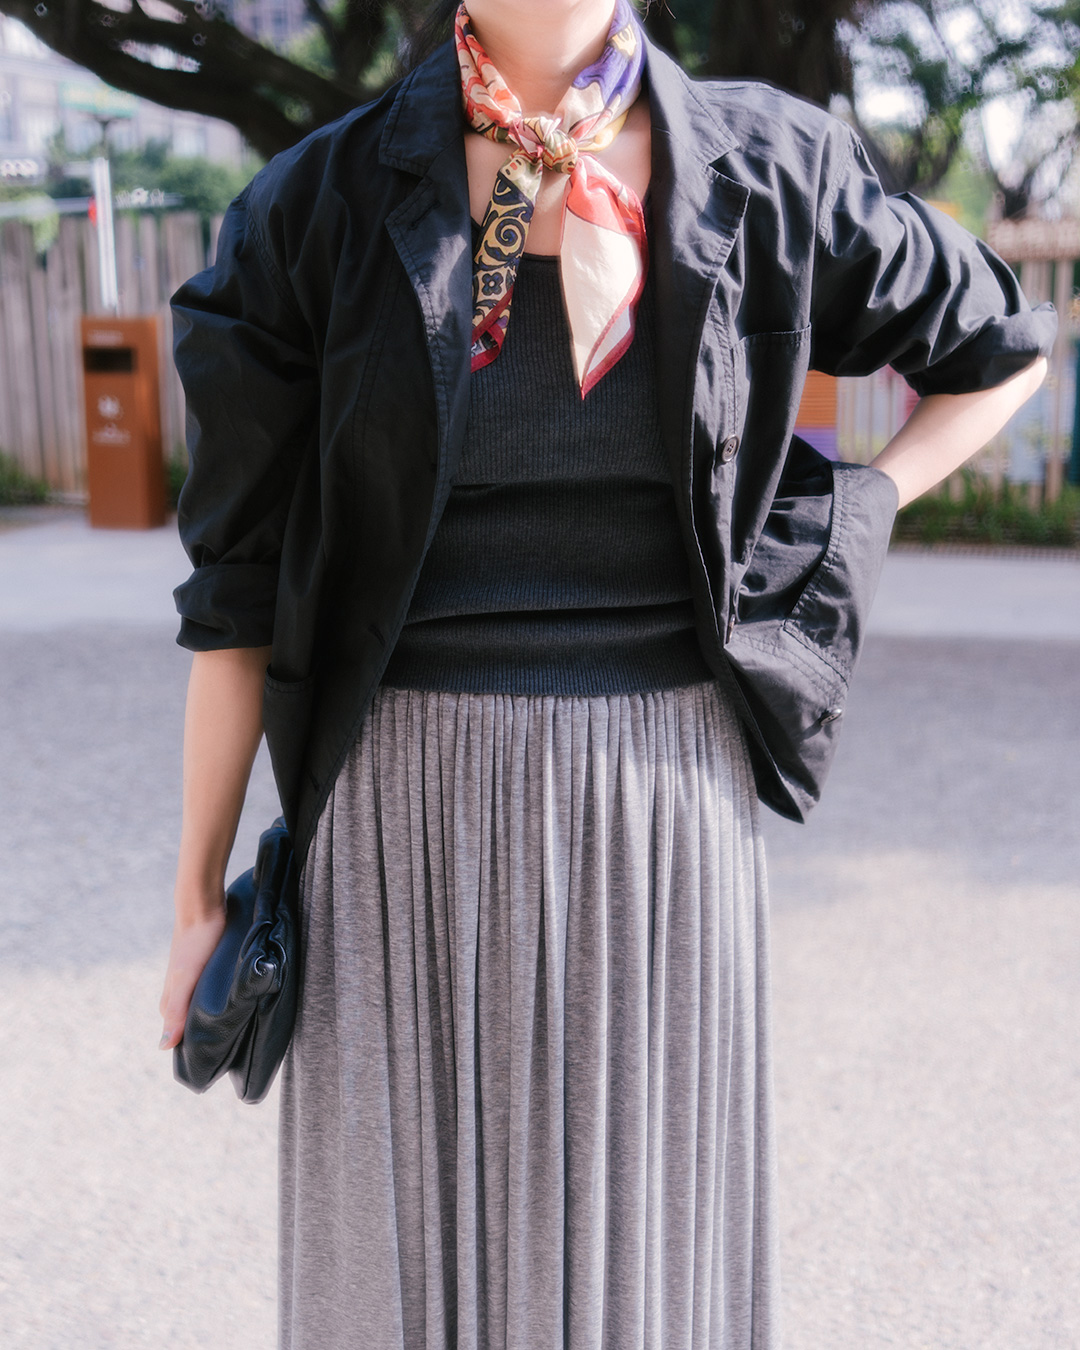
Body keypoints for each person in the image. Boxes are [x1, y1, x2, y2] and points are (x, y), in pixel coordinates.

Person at [158, 1, 1055, 1345]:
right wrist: (194, 898)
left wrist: (863, 504)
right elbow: (234, 590)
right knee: (395, 1290)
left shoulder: (771, 169)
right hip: (399, 824)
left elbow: (1000, 349)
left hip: (663, 817)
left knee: (644, 1284)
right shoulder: (318, 203)